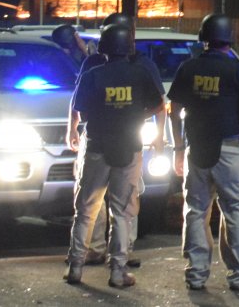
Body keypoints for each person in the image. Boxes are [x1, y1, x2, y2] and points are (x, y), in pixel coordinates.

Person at [64, 24, 165, 288]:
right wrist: (138, 120)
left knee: (86, 209)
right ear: (129, 47)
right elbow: (159, 106)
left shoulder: (93, 74)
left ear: (104, 47)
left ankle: (75, 267)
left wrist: (79, 128)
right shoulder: (141, 73)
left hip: (97, 146)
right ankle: (118, 272)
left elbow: (79, 111)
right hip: (129, 148)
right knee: (122, 212)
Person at [168, 14, 239, 291]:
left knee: (196, 211)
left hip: (196, 149)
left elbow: (173, 110)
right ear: (229, 39)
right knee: (234, 212)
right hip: (229, 151)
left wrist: (178, 147)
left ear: (204, 38)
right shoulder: (238, 71)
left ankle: (196, 275)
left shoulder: (189, 67)